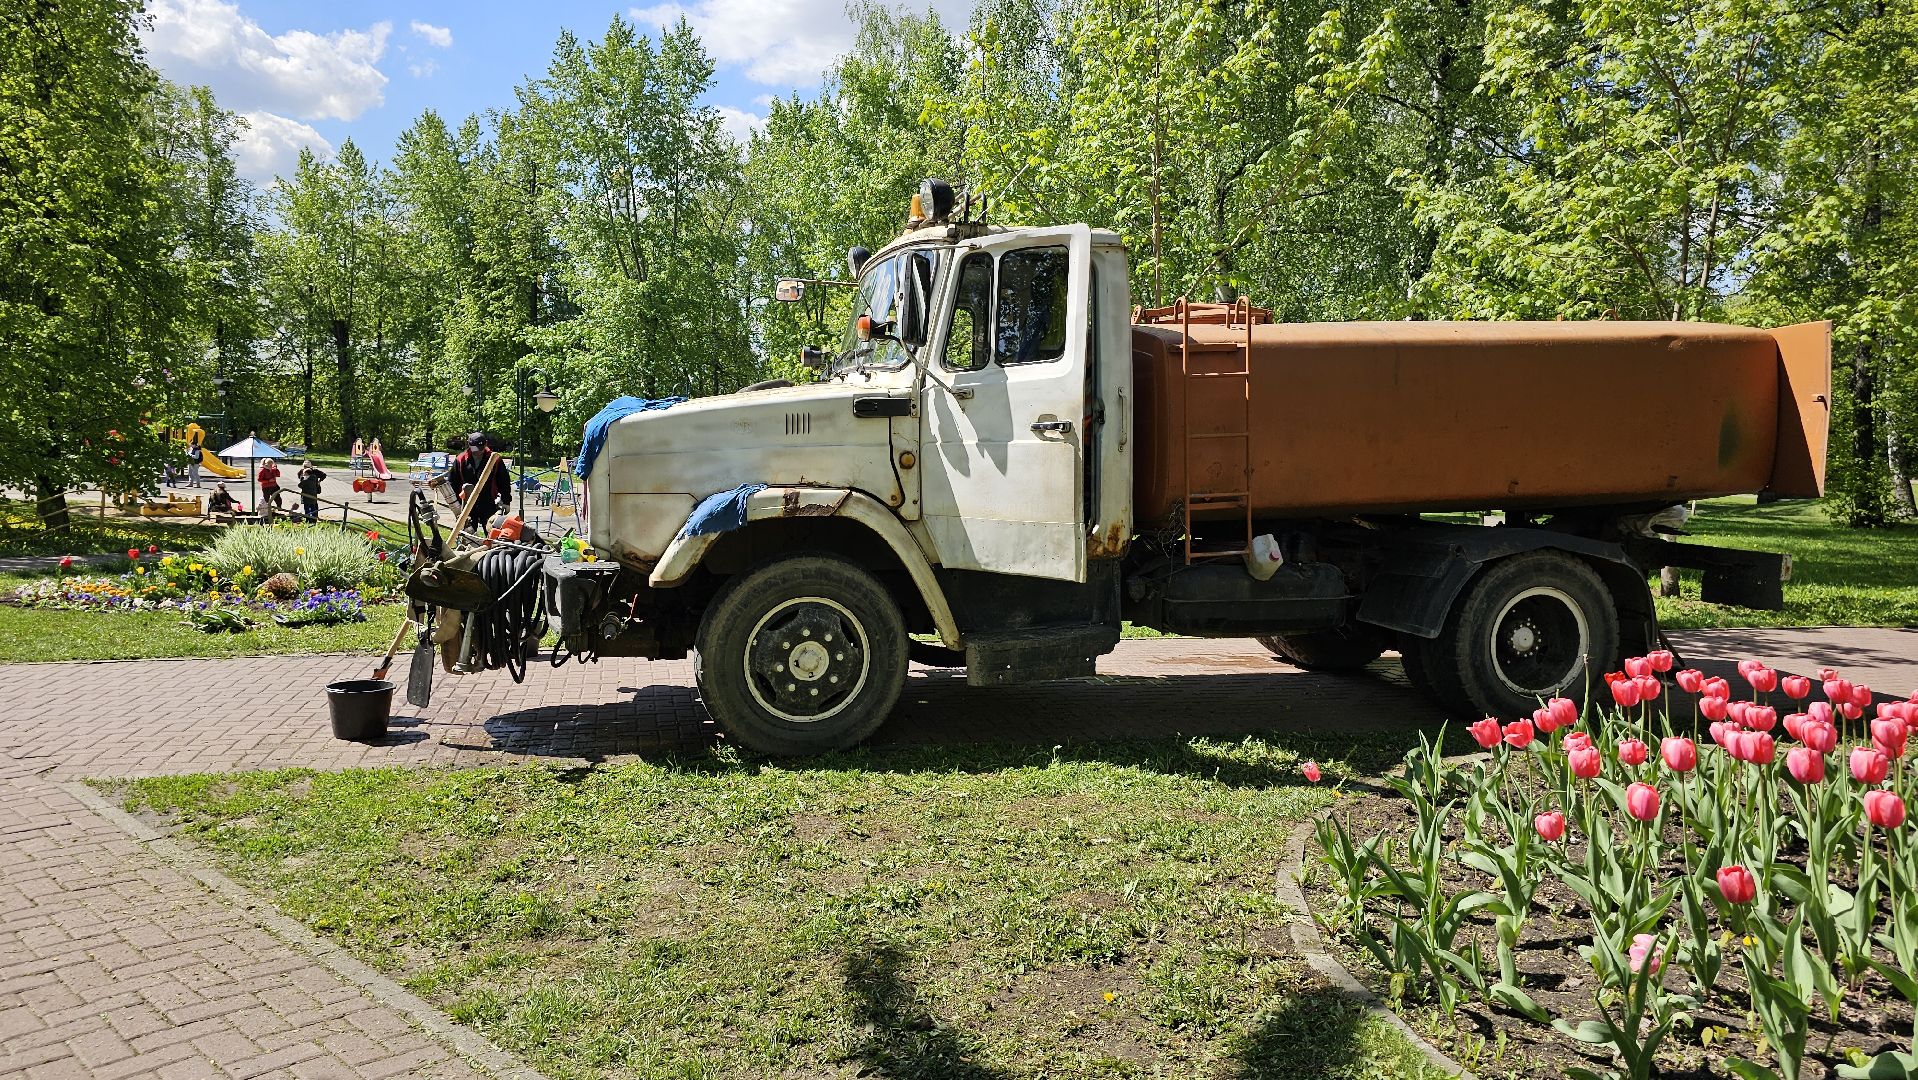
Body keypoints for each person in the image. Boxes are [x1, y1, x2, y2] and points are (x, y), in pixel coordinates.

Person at [452, 431, 510, 529]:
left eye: (480, 449)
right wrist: (456, 504)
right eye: (475, 449)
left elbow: (504, 481)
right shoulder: (460, 459)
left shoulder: (495, 459)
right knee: (468, 534)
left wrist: (506, 501)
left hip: (488, 501)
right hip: (466, 503)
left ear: (485, 444)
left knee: (492, 531)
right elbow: (453, 481)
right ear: (469, 445)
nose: (478, 451)